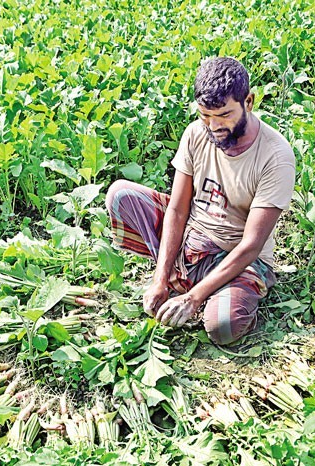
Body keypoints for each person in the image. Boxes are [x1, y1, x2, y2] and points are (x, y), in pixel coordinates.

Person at [104, 57, 296, 345]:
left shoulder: (275, 156)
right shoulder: (196, 132)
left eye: (224, 115)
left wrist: (193, 299)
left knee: (223, 328)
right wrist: (159, 278)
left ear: (249, 101)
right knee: (120, 195)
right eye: (206, 115)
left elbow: (251, 245)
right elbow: (179, 210)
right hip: (192, 238)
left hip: (238, 257)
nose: (214, 126)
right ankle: (175, 276)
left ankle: (204, 287)